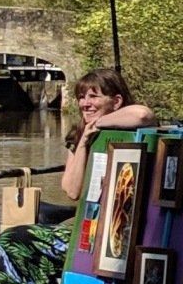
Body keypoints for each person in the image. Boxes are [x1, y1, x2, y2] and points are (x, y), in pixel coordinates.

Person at [59, 68, 157, 204]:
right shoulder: (78, 133)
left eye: (93, 96)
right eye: (81, 97)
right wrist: (83, 142)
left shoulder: (135, 126)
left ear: (116, 101)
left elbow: (143, 115)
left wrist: (97, 123)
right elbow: (72, 191)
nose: (85, 104)